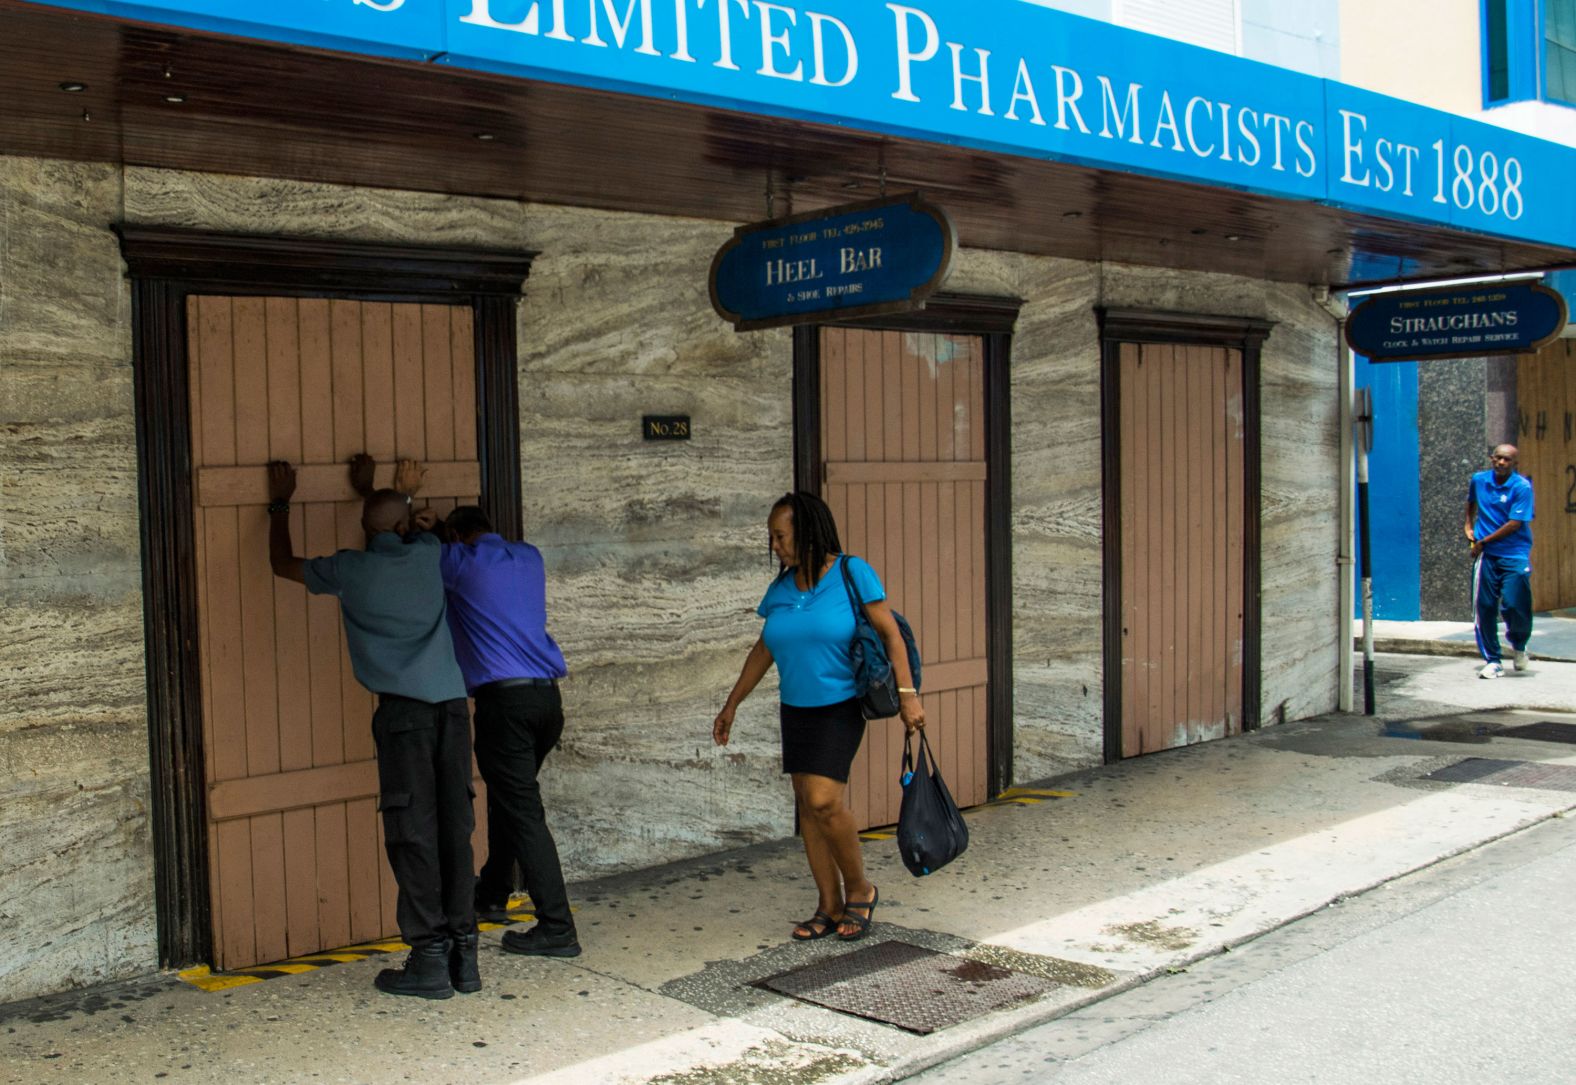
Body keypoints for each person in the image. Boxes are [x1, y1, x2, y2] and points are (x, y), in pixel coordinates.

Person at [267, 456, 478, 999]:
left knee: (413, 833)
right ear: (407, 527)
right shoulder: (429, 555)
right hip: (453, 709)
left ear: (364, 528)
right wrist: (394, 497)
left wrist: (282, 503)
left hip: (404, 716)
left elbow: (280, 563)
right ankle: (465, 957)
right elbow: (409, 527)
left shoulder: (349, 570)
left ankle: (430, 960)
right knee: (455, 827)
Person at [712, 492, 924, 943]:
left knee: (825, 800)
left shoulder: (852, 572)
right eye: (771, 536)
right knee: (807, 806)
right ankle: (827, 904)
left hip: (841, 704)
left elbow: (891, 636)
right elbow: (765, 648)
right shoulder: (781, 589)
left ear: (806, 533)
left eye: (780, 535)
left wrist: (909, 696)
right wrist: (732, 704)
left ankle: (860, 889)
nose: (774, 545)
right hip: (796, 708)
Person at [409, 497, 581, 959]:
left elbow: (417, 557)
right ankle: (492, 892)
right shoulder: (528, 556)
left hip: (503, 703)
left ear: (456, 538)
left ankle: (558, 926)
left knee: (523, 811)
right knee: (512, 797)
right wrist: (449, 527)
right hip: (546, 700)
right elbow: (474, 550)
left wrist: (423, 523)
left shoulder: (457, 564)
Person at [1464, 443, 1535, 680]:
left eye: (1507, 460)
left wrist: (1483, 542)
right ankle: (1493, 660)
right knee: (1484, 607)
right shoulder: (1479, 480)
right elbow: (1471, 502)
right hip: (1487, 556)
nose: (1501, 463)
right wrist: (1468, 525)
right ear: (1492, 459)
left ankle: (1519, 644)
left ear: (1514, 463)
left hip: (1514, 553)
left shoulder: (1522, 487)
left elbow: (1514, 524)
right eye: (1498, 458)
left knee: (1515, 604)